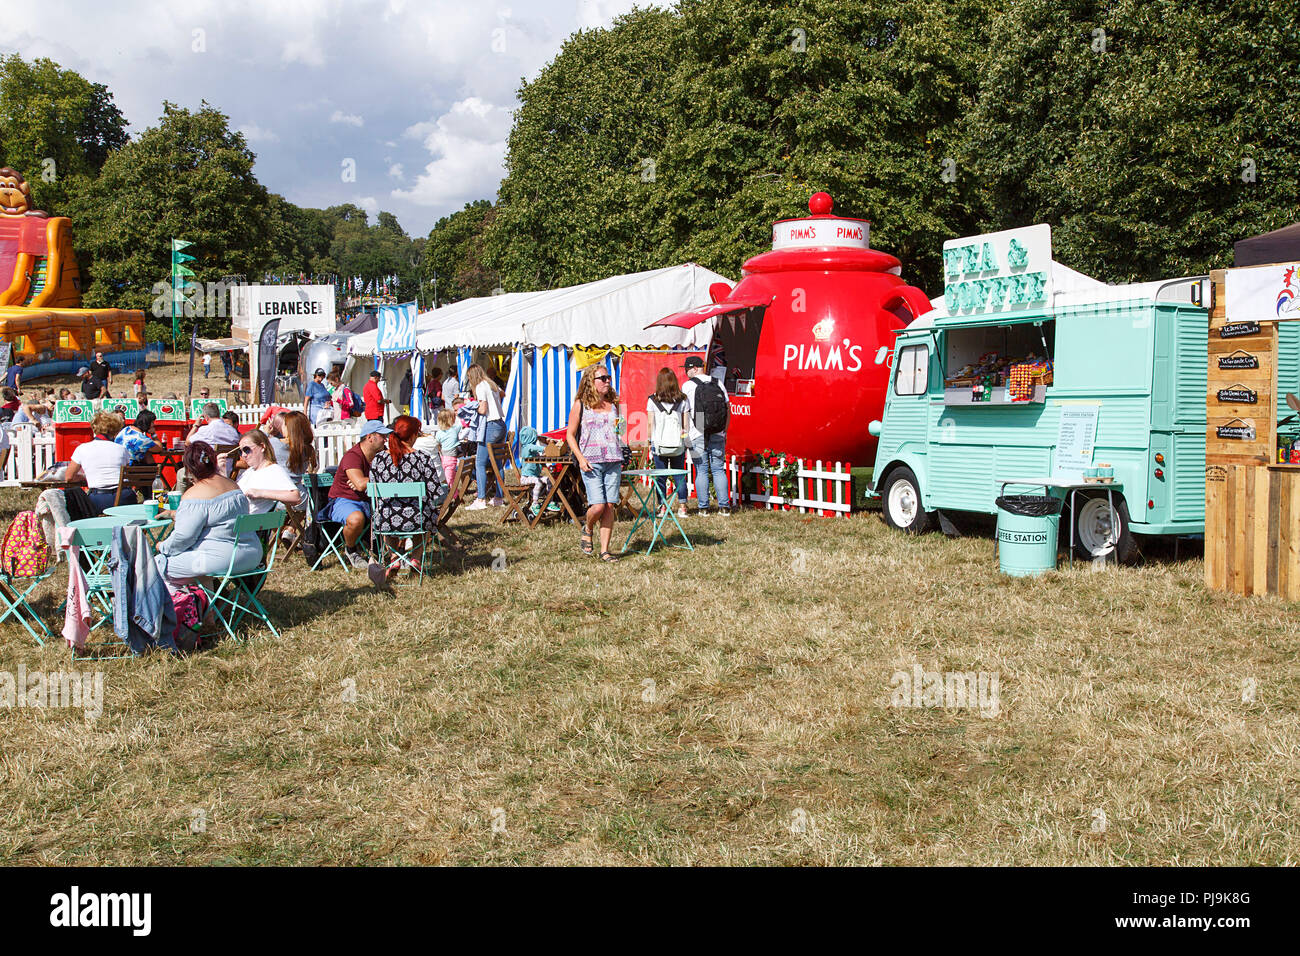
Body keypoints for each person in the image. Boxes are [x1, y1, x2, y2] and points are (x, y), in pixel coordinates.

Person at [154, 441, 262, 586]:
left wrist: (162, 546)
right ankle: (209, 604)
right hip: (252, 555)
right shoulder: (233, 486)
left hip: (222, 560)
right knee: (193, 566)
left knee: (157, 565)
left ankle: (182, 606)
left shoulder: (194, 495)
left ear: (189, 468)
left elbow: (183, 538)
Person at [366, 414, 448, 587]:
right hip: (417, 520)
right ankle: (416, 560)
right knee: (426, 513)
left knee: (386, 511)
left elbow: (372, 490)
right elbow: (434, 491)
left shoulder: (378, 460)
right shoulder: (422, 458)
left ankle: (395, 558)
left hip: (386, 520)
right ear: (412, 436)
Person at [566, 363, 625, 561]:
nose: (608, 381)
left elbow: (621, 432)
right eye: (603, 378)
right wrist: (580, 458)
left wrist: (622, 429)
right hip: (591, 461)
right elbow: (570, 435)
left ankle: (605, 551)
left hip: (613, 459)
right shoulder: (580, 405)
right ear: (592, 382)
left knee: (609, 506)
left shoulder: (615, 404)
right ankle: (588, 526)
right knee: (598, 505)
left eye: (608, 378)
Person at [323, 418, 390, 569]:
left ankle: (394, 553)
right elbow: (360, 485)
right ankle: (351, 550)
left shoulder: (382, 455)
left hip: (371, 501)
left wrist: (369, 480)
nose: (386, 439)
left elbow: (362, 483)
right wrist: (375, 480)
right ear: (369, 437)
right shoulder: (353, 456)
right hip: (345, 500)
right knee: (356, 519)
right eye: (382, 436)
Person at [682, 355, 730, 516]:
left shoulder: (688, 386)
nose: (686, 372)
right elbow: (727, 408)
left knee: (700, 470)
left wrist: (685, 434)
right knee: (718, 469)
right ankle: (724, 507)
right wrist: (724, 430)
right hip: (718, 431)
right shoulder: (718, 383)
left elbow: (685, 412)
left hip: (697, 431)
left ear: (695, 368)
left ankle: (703, 508)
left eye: (687, 369)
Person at [65, 411, 134, 514]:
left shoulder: (82, 448)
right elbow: (128, 474)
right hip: (124, 498)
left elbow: (69, 477)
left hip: (98, 499)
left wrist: (85, 477)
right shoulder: (121, 449)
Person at [224, 429, 300, 515]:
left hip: (246, 523)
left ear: (262, 447)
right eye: (240, 452)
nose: (244, 455)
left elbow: (295, 497)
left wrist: (261, 493)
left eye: (246, 449)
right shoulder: (249, 471)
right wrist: (221, 471)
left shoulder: (273, 470)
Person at [647, 366, 690, 518]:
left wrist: (649, 442)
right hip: (678, 444)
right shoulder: (683, 399)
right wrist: (685, 441)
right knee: (679, 474)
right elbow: (686, 426)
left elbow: (651, 424)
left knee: (661, 476)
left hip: (659, 444)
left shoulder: (652, 400)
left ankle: (662, 507)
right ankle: (683, 506)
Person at [464, 364, 505, 510]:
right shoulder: (491, 384)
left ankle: (481, 499)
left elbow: (483, 408)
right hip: (501, 424)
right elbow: (503, 394)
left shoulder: (481, 386)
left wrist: (471, 406)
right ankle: (499, 497)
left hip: (491, 425)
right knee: (498, 463)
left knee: (480, 463)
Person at [279, 410, 318, 504]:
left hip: (281, 497)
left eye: (283, 424)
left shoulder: (276, 444)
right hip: (302, 496)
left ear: (289, 428)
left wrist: (267, 433)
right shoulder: (308, 449)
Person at [516, 426, 555, 517]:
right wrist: (546, 448)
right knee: (538, 482)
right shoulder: (527, 448)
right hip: (526, 478)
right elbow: (535, 448)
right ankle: (535, 503)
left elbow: (538, 458)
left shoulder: (533, 450)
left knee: (549, 480)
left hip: (534, 476)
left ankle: (549, 501)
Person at [433, 407, 461, 485]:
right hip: (452, 459)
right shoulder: (455, 429)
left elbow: (437, 444)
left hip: (443, 458)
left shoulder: (439, 433)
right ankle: (454, 495)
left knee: (448, 480)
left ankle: (453, 495)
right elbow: (463, 422)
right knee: (450, 480)